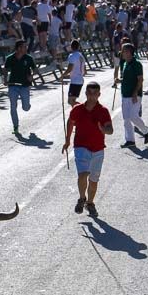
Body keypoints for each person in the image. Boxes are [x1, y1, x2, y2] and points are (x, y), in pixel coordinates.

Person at [61, 80, 110, 217]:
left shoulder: (103, 111)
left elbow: (110, 129)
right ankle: (82, 198)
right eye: (89, 93)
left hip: (98, 149)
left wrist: (104, 129)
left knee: (93, 181)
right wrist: (67, 140)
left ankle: (90, 203)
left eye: (95, 93)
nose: (92, 96)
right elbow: (70, 122)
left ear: (99, 94)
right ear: (86, 93)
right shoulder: (77, 109)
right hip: (81, 147)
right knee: (83, 174)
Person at [114, 41, 148, 148]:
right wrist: (119, 80)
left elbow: (140, 79)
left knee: (133, 116)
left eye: (123, 51)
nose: (121, 53)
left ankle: (146, 131)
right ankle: (130, 140)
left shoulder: (136, 63)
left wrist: (134, 93)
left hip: (135, 95)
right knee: (126, 119)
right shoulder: (125, 63)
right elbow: (127, 79)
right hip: (125, 94)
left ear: (129, 52)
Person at [3, 37, 34, 136]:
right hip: (13, 85)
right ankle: (15, 126)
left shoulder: (29, 58)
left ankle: (27, 105)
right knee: (13, 106)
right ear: (19, 48)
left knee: (26, 108)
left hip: (25, 86)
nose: (26, 48)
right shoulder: (10, 58)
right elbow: (5, 70)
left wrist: (31, 76)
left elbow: (35, 69)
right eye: (24, 47)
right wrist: (5, 80)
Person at [60, 36, 84, 104]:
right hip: (80, 79)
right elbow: (83, 70)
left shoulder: (72, 56)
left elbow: (70, 68)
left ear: (71, 47)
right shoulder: (81, 56)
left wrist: (62, 75)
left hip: (75, 81)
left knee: (70, 101)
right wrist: (69, 76)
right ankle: (78, 113)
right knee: (72, 101)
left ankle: (83, 110)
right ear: (78, 47)